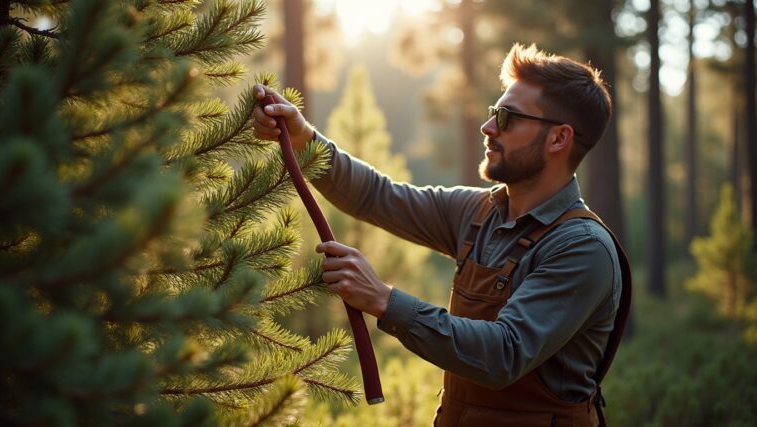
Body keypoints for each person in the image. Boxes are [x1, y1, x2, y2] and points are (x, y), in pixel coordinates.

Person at [252, 43, 631, 427]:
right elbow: (378, 196)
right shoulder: (477, 213)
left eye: (507, 117)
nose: (488, 127)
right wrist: (305, 140)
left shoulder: (582, 247)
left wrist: (384, 300)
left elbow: (504, 353)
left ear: (558, 139)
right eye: (492, 112)